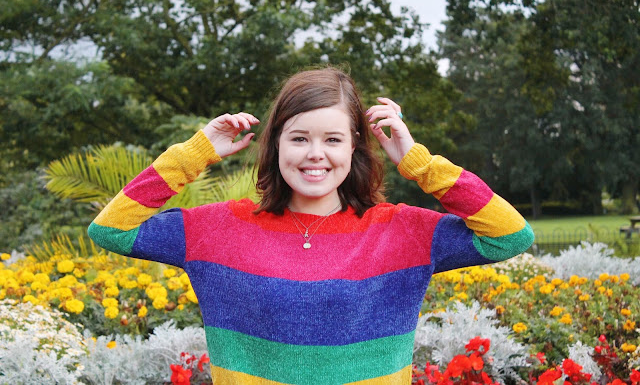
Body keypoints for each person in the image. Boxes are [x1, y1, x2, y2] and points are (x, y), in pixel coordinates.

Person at [88, 67, 534, 384]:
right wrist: (195, 152)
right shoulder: (218, 229)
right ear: (275, 144)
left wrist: (419, 162)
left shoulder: (401, 231)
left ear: (354, 147)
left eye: (332, 139)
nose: (315, 153)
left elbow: (511, 236)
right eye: (299, 138)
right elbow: (111, 230)